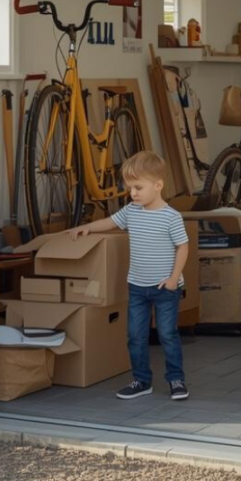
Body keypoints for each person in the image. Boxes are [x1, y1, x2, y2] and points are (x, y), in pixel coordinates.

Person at [66, 151, 190, 401]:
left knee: (167, 334)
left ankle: (176, 379)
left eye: (138, 187)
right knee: (135, 336)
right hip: (137, 287)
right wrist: (87, 227)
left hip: (165, 288)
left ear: (158, 186)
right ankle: (141, 381)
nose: (133, 193)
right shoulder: (131, 211)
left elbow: (183, 247)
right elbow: (110, 222)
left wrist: (173, 278)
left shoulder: (171, 217)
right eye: (130, 188)